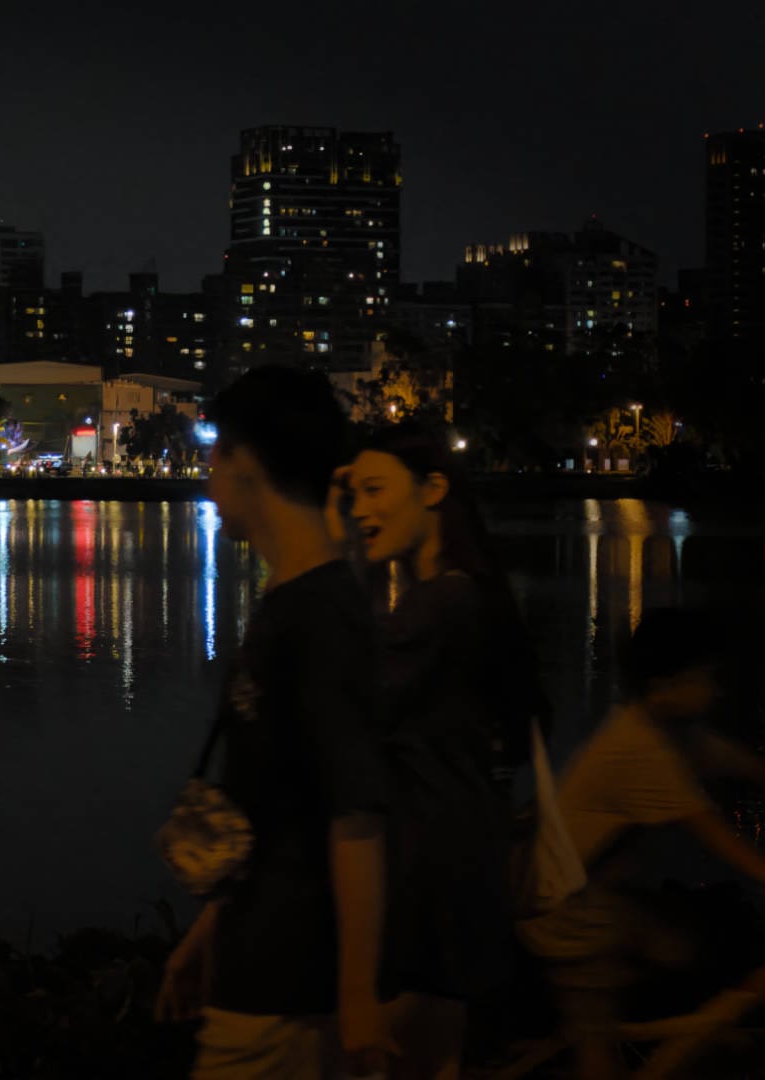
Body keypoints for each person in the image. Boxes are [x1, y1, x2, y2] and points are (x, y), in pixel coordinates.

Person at [156, 365, 395, 1078]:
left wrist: (357, 1000)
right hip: (257, 962)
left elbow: (356, 817)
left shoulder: (322, 617)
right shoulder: (290, 603)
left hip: (288, 987)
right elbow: (279, 812)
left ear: (246, 461)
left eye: (214, 453)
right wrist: (207, 936)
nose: (205, 478)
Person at [335, 424, 543, 1079]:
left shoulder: (440, 607)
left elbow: (347, 705)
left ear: (433, 490)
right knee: (436, 1057)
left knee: (385, 1055)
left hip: (428, 869)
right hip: (464, 861)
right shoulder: (467, 596)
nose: (361, 511)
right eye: (352, 497)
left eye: (374, 491)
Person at [519, 609, 765, 1080]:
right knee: (605, 1041)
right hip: (569, 915)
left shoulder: (671, 730)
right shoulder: (641, 750)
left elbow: (739, 763)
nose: (715, 691)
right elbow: (723, 843)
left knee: (698, 945)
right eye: (704, 679)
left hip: (598, 900)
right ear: (663, 685)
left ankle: (686, 1036)